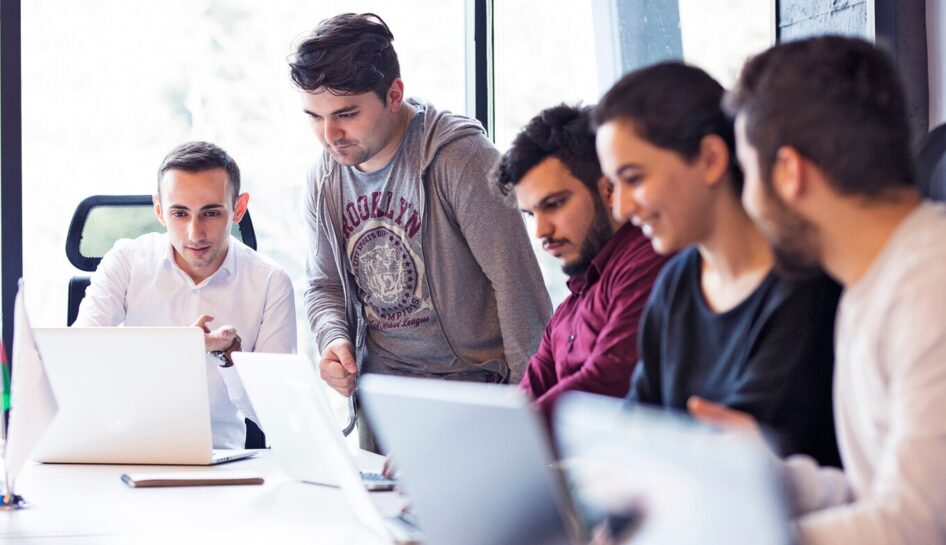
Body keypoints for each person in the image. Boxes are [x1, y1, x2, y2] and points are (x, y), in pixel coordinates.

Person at [689, 36, 946, 545]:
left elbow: (918, 525)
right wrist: (767, 478)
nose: (747, 202)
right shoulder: (871, 283)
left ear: (789, 172)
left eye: (748, 174)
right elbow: (876, 493)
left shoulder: (937, 284)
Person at [290, 13, 551, 447]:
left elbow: (518, 288)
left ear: (394, 94)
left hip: (474, 398)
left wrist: (533, 419)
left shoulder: (461, 159)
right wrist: (333, 338)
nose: (329, 135)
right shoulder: (324, 178)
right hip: (384, 401)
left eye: (346, 114)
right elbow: (323, 284)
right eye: (314, 117)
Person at [592, 62, 841, 465]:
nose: (621, 207)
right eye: (612, 186)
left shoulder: (805, 287)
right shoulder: (675, 282)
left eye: (634, 179)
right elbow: (637, 428)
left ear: (710, 158)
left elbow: (737, 462)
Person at [74, 141, 297, 450]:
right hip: (123, 449)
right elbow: (78, 362)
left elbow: (277, 416)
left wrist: (229, 357)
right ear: (159, 210)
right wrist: (177, 348)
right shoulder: (126, 260)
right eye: (179, 213)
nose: (195, 233)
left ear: (238, 208)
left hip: (218, 459)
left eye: (211, 213)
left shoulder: (271, 282)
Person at [490, 104, 670, 416]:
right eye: (532, 214)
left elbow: (606, 384)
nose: (542, 231)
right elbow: (523, 402)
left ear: (609, 190)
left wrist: (491, 441)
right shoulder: (567, 312)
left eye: (555, 204)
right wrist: (461, 441)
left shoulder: (650, 260)